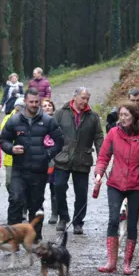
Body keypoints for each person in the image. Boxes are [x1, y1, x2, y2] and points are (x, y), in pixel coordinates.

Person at [94, 104, 139, 275]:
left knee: (131, 224)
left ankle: (127, 263)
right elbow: (103, 156)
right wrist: (99, 173)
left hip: (136, 185)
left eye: (126, 115)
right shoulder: (113, 133)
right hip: (115, 183)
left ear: (134, 116)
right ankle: (111, 262)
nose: (122, 118)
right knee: (113, 219)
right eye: (120, 115)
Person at [0, 88, 64, 242]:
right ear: (25, 102)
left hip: (39, 170)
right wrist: (11, 149)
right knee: (15, 199)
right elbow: (3, 140)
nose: (34, 105)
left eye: (36, 102)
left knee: (36, 203)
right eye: (31, 102)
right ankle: (12, 236)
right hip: (19, 169)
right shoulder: (14, 120)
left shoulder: (48, 121)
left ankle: (34, 236)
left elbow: (59, 141)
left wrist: (47, 154)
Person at [53, 87, 104, 235]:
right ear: (74, 97)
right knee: (59, 187)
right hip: (62, 157)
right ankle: (63, 217)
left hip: (83, 159)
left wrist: (102, 158)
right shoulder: (61, 113)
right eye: (82, 98)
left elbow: (99, 137)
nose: (85, 101)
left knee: (81, 193)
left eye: (87, 98)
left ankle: (78, 222)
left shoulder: (93, 116)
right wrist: (51, 153)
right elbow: (51, 133)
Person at [41, 98, 58, 224]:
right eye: (45, 106)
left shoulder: (58, 121)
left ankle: (54, 213)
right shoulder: (37, 122)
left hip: (55, 156)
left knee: (55, 187)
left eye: (49, 105)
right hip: (41, 157)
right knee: (38, 187)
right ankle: (38, 213)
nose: (47, 107)